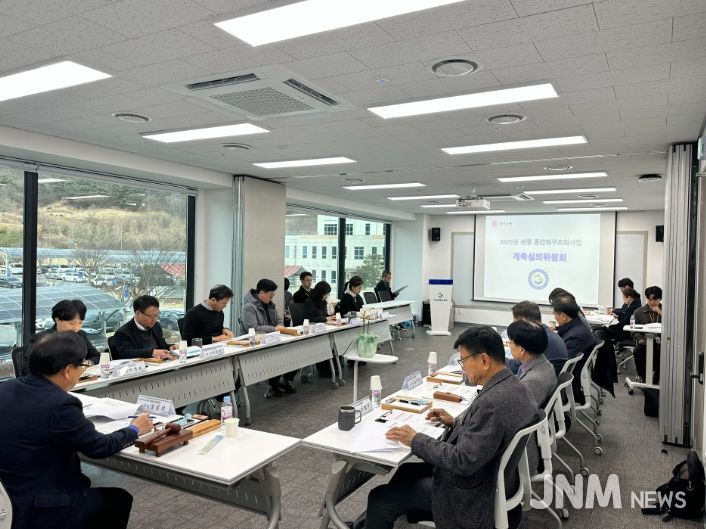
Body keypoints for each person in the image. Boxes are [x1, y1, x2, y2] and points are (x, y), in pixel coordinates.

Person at [350, 327, 537, 529]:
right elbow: (489, 435)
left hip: (469, 493)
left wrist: (415, 439)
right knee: (405, 471)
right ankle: (370, 523)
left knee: (379, 497)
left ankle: (376, 517)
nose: (463, 367)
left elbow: (462, 460)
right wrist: (456, 422)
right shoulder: (514, 385)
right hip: (487, 477)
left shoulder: (492, 402)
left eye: (464, 361)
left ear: (484, 360)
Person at [0, 332, 152, 529]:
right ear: (67, 370)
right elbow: (100, 448)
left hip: (10, 496)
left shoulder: (6, 388)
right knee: (118, 499)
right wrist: (134, 429)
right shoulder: (60, 404)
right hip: (42, 506)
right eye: (82, 365)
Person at [242, 279, 295, 397]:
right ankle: (273, 384)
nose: (272, 296)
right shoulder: (249, 307)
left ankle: (283, 381)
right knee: (278, 356)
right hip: (257, 342)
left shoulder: (270, 305)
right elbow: (253, 328)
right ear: (261, 293)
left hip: (273, 339)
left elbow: (279, 320)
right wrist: (274, 329)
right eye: (271, 294)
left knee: (294, 352)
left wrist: (278, 327)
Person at [25, 299, 100, 375]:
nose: (76, 327)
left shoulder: (80, 334)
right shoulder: (41, 339)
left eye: (80, 323)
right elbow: (27, 369)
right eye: (72, 323)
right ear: (57, 320)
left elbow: (96, 356)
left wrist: (87, 363)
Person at [552, 296, 598, 403]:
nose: (554, 318)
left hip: (563, 382)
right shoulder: (578, 326)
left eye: (555, 314)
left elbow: (562, 363)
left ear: (563, 316)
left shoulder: (576, 336)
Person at [507, 300, 568, 375]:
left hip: (540, 377)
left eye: (515, 322)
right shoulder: (546, 332)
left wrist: (498, 360)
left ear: (523, 321)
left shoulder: (535, 338)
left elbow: (515, 367)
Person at [507, 319, 556, 408]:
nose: (509, 345)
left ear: (522, 350)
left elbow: (518, 410)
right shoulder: (542, 361)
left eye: (510, 342)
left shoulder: (531, 381)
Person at [112, 295, 176, 360]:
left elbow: (162, 346)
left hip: (161, 363)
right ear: (138, 313)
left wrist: (170, 347)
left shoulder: (156, 326)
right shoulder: (123, 332)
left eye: (157, 315)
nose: (155, 319)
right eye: (151, 316)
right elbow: (126, 353)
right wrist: (151, 353)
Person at [633, 286, 663, 382]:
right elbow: (634, 330)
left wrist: (661, 313)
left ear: (660, 299)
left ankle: (657, 377)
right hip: (645, 341)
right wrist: (639, 338)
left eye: (655, 299)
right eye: (649, 299)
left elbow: (673, 326)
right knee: (637, 351)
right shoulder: (638, 312)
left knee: (661, 352)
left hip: (661, 342)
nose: (652, 302)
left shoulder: (666, 311)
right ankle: (643, 376)